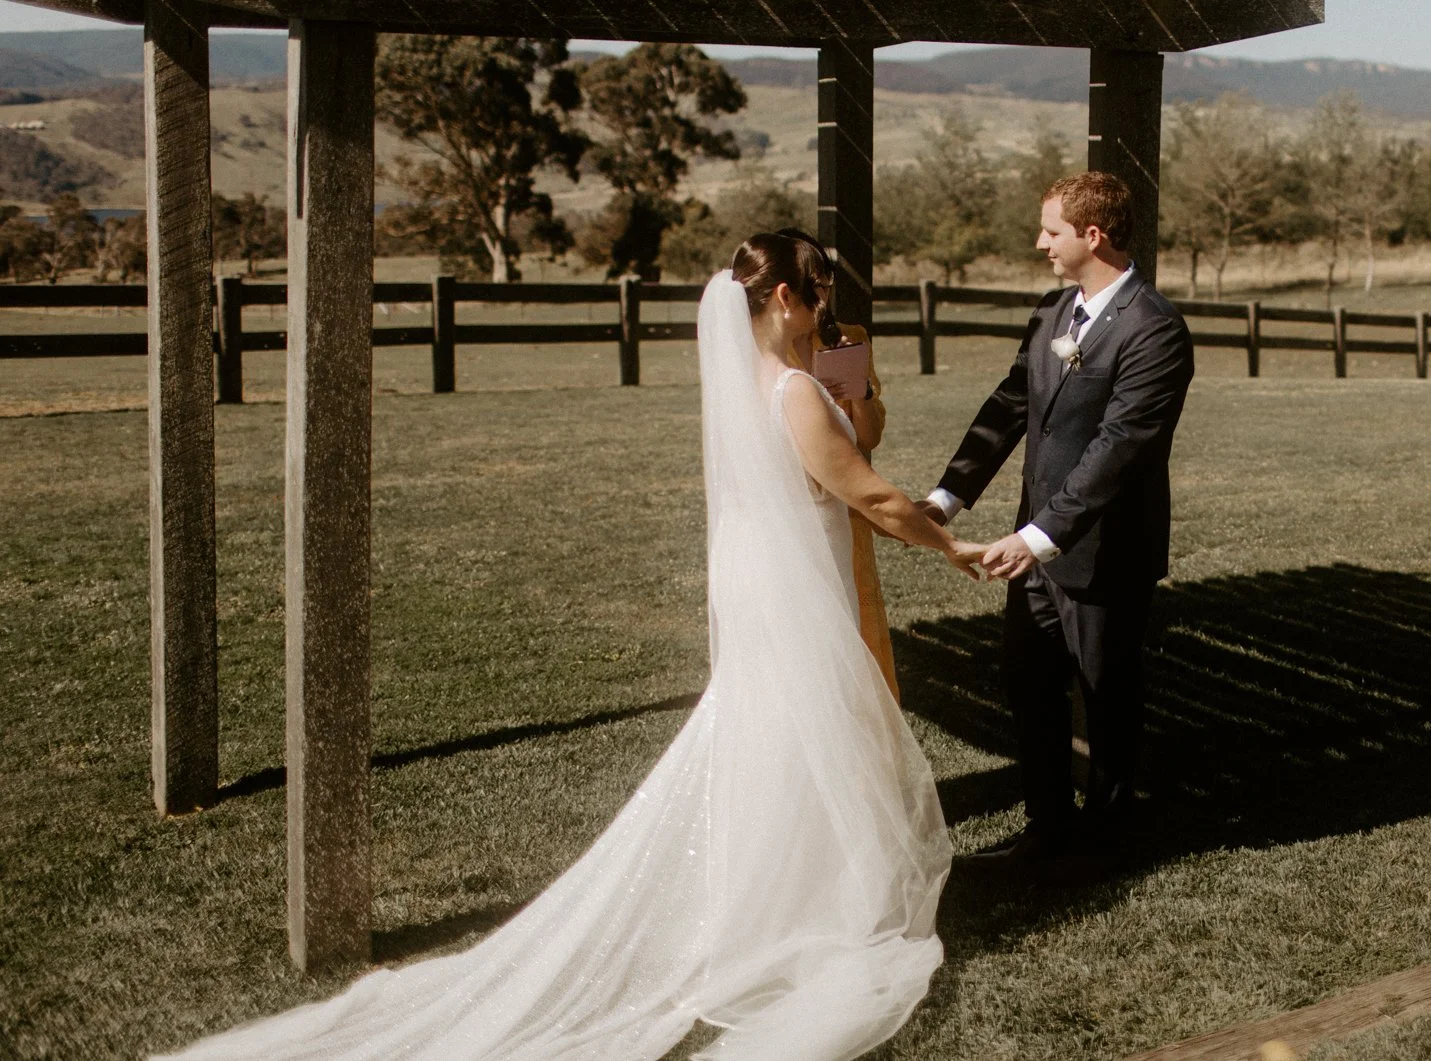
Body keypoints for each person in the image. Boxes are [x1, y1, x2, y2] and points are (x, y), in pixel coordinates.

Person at [157, 232, 985, 1061]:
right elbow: (872, 495)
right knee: (812, 724)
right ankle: (810, 906)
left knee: (775, 730)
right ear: (782, 301)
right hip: (794, 579)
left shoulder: (749, 381)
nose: (824, 309)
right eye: (816, 293)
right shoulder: (797, 389)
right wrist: (954, 549)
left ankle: (786, 895)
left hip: (762, 573)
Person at [920, 171, 1196, 870]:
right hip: (1034, 548)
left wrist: (1039, 538)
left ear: (1091, 234)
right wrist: (947, 496)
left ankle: (1108, 840)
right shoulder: (1052, 314)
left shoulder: (1154, 329)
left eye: (1051, 230)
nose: (1040, 242)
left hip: (1104, 552)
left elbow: (1118, 450)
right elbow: (1010, 406)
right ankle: (1047, 828)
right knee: (1028, 682)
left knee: (1107, 696)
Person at [797, 229, 900, 701]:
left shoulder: (850, 339)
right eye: (813, 282)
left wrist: (857, 395)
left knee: (856, 628)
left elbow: (870, 436)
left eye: (827, 282)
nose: (823, 293)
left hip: (845, 509)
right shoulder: (763, 353)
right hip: (789, 509)